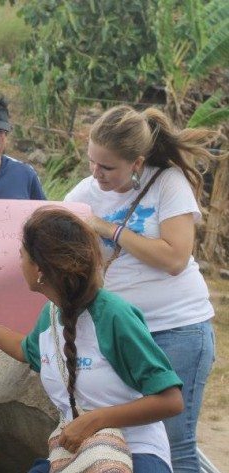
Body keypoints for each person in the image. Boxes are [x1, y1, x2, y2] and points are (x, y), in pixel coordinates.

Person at [0, 207, 184, 472]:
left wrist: (96, 420)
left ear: (39, 269)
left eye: (21, 256)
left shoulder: (114, 316)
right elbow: (26, 350)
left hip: (136, 451)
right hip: (80, 453)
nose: (19, 263)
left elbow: (170, 400)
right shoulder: (51, 314)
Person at [64, 105, 217, 472]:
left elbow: (175, 257)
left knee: (175, 442)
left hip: (176, 329)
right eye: (91, 163)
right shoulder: (83, 193)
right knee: (126, 441)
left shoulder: (167, 183)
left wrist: (108, 228)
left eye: (107, 167)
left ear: (137, 162)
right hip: (120, 334)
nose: (96, 174)